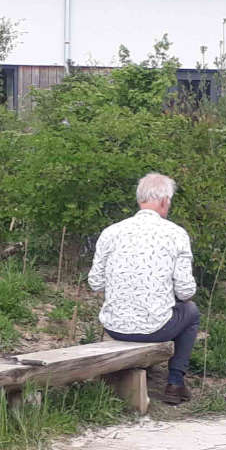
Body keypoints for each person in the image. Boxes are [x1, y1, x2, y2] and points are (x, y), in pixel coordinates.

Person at [88, 173, 199, 405]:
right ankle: (176, 382)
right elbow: (186, 292)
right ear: (164, 201)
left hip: (115, 327)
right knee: (191, 311)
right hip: (155, 328)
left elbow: (95, 283)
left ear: (140, 200)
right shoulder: (176, 234)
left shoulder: (111, 232)